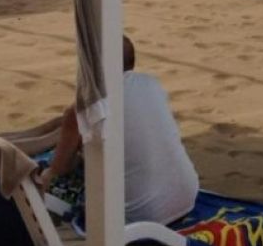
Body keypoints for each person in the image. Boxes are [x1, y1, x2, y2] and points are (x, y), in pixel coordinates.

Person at [37, 36, 198, 225]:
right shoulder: (151, 84)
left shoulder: (87, 105)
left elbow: (59, 168)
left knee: (48, 179)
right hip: (187, 197)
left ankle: (50, 226)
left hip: (142, 217)